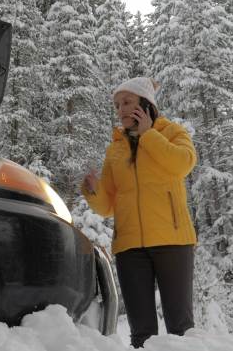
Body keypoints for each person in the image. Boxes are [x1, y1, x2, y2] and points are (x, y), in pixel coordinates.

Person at [81, 77, 198, 348]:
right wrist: (92, 190)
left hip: (173, 241)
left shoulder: (172, 132)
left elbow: (182, 164)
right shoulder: (115, 148)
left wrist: (149, 135)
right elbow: (108, 205)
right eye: (117, 105)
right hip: (130, 248)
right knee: (141, 333)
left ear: (145, 103)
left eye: (127, 102)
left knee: (181, 327)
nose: (121, 109)